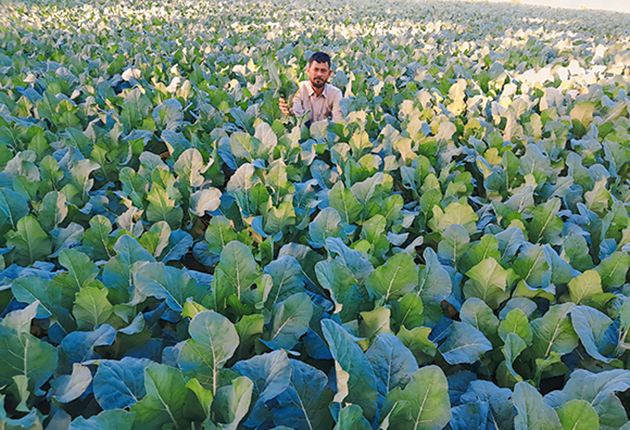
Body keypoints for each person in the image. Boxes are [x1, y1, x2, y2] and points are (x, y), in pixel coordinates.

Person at [279, 52, 343, 123]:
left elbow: (337, 122)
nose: (319, 74)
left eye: (323, 70)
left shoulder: (335, 93)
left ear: (329, 74)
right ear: (308, 71)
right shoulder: (298, 89)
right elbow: (298, 120)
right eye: (316, 69)